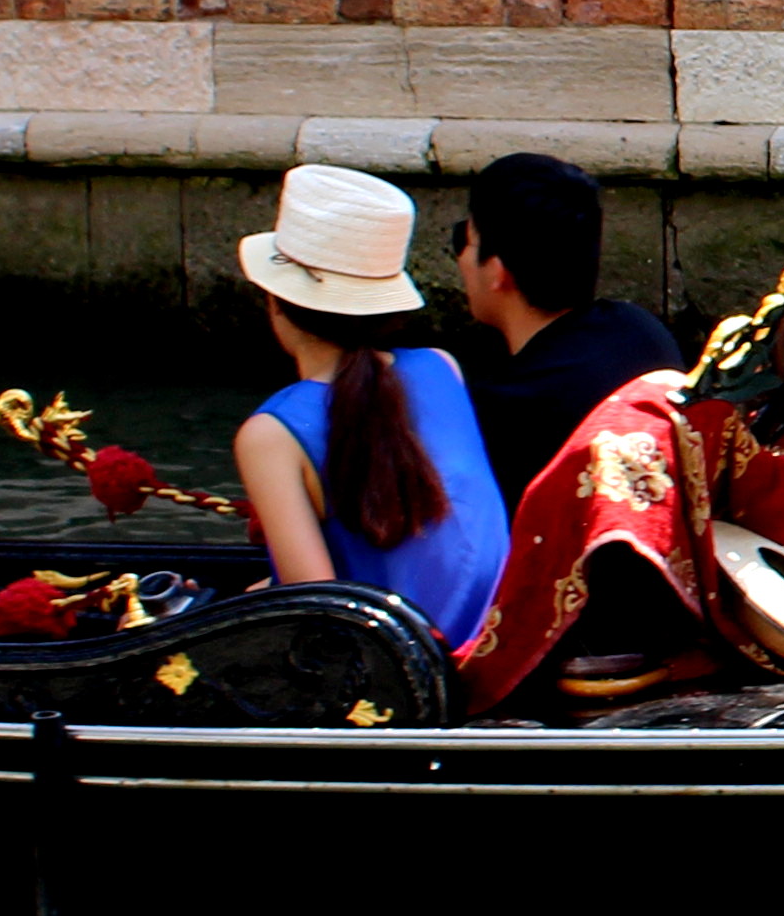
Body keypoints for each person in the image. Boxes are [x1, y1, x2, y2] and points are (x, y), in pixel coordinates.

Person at [230, 162, 512, 645]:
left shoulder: (270, 436)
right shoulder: (442, 368)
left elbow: (317, 615)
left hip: (397, 670)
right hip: (491, 648)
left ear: (276, 301)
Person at [455, 151, 683, 499]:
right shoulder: (642, 332)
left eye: (463, 240)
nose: (460, 258)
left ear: (499, 272)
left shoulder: (498, 411)